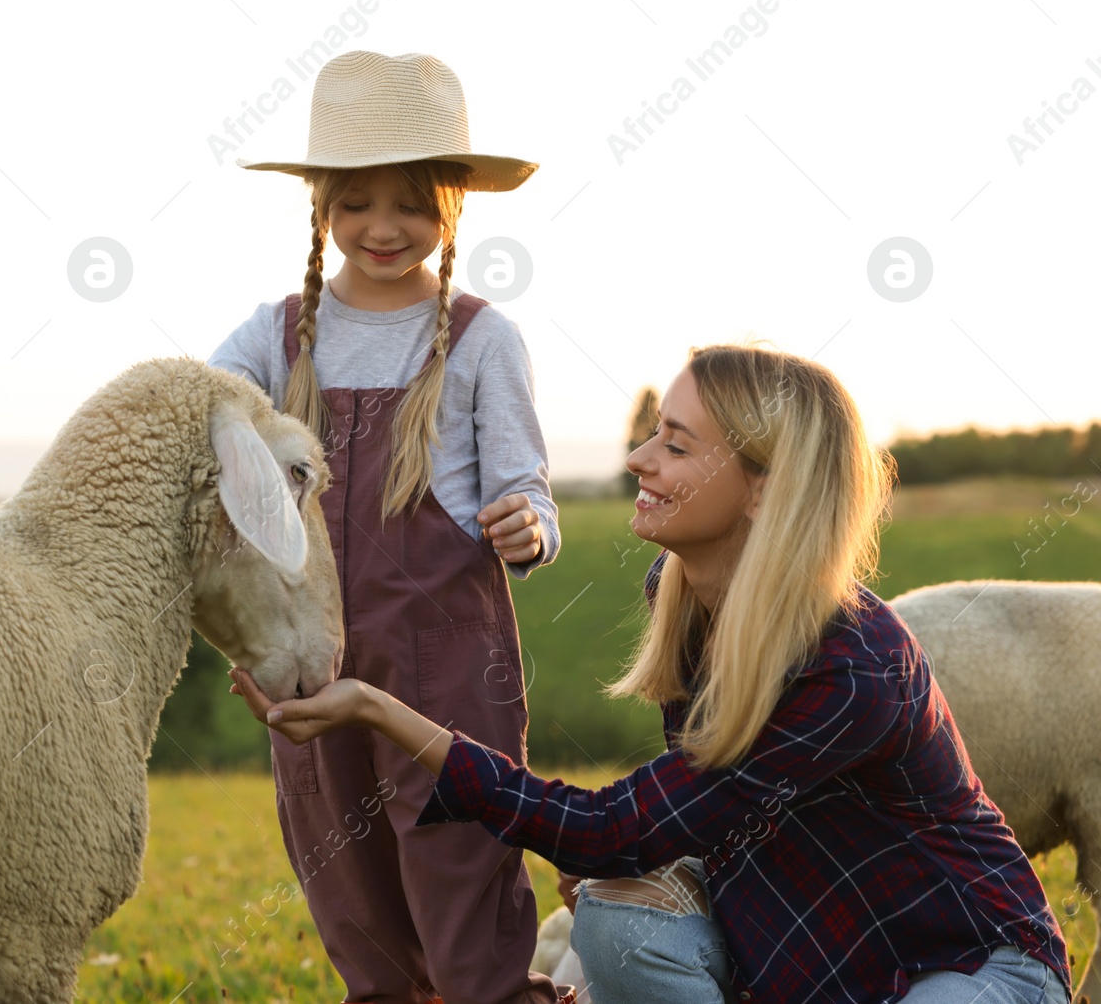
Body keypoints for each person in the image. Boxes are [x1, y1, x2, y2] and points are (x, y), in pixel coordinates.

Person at [232, 344, 1072, 1004]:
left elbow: (613, 828)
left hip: (967, 970)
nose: (639, 457)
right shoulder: (689, 608)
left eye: (675, 444)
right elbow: (678, 821)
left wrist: (381, 709)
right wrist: (630, 865)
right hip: (808, 965)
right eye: (652, 434)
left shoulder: (850, 668)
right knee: (615, 918)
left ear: (759, 490)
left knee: (612, 873)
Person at [208, 49, 564, 1003]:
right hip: (312, 656)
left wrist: (528, 525)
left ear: (452, 206)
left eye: (411, 203)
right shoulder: (272, 337)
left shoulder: (485, 338)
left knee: (459, 881)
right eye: (357, 201)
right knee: (348, 889)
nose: (383, 227)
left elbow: (531, 490)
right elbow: (196, 434)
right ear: (321, 204)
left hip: (450, 671)